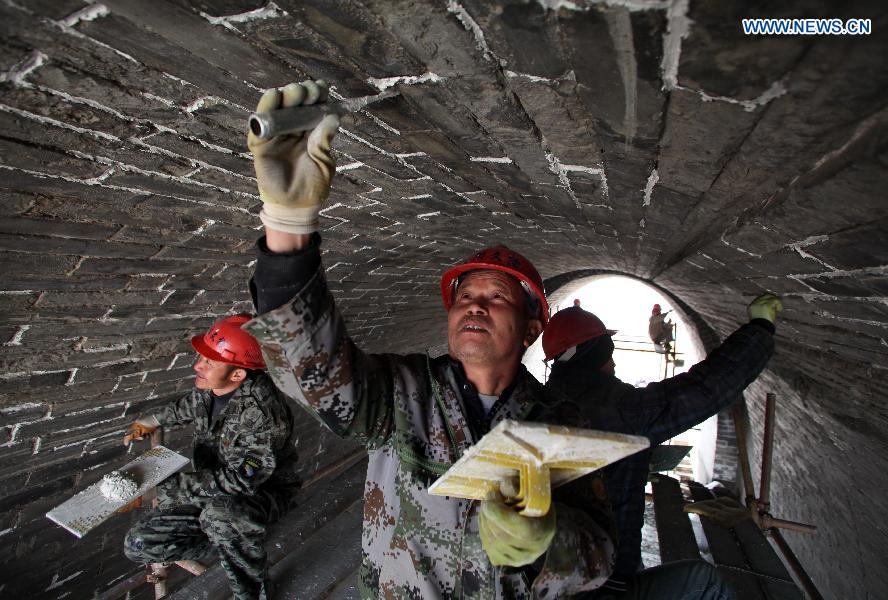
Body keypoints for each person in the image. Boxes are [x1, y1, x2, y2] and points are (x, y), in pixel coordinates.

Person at [241, 80, 616, 598]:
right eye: (464, 297)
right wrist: (288, 229)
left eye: (497, 297)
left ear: (533, 327)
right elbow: (314, 372)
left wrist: (546, 542)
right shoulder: (402, 393)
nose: (474, 305)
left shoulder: (559, 424)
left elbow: (601, 556)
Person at [543, 294, 783, 598]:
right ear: (593, 355)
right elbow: (706, 388)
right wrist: (760, 328)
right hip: (601, 586)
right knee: (704, 582)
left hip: (561, 578)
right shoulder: (620, 409)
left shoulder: (545, 401)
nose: (614, 362)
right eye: (608, 353)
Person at [121, 314, 299, 600]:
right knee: (139, 544)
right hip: (211, 490)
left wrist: (160, 488)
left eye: (209, 362)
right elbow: (190, 405)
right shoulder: (216, 388)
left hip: (259, 495)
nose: (197, 366)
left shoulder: (263, 415)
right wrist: (151, 419)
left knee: (223, 516)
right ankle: (229, 541)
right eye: (201, 358)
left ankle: (253, 591)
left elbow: (242, 481)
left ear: (238, 374)